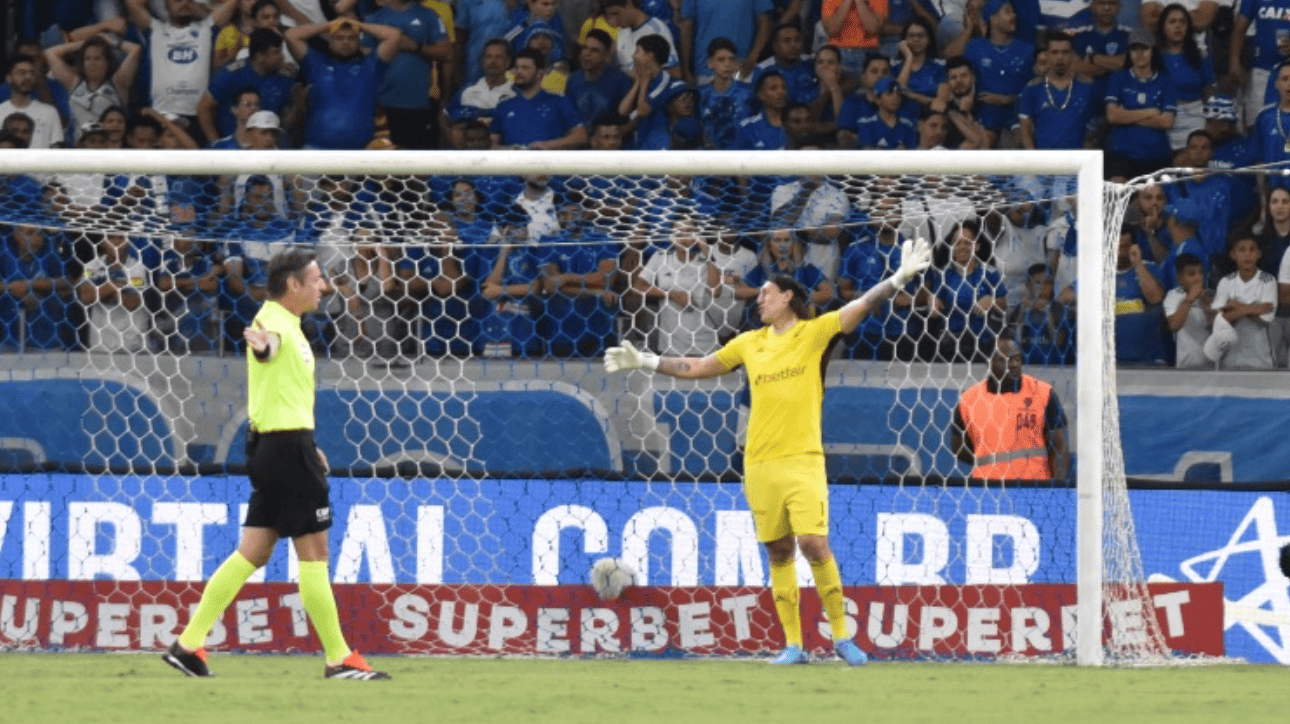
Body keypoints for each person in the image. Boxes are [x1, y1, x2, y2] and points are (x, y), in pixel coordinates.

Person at [603, 236, 932, 665]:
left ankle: (842, 637)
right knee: (778, 551)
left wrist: (897, 279)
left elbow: (861, 306)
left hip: (803, 461)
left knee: (814, 544)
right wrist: (646, 360)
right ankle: (793, 644)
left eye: (766, 294)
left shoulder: (814, 334)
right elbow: (698, 366)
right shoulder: (749, 343)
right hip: (758, 462)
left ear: (788, 297)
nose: (759, 301)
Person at [162, 249, 390, 680]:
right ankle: (339, 658)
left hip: (278, 446)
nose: (324, 286)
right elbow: (267, 349)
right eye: (317, 279)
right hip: (284, 450)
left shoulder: (287, 323)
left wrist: (308, 442)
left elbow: (280, 385)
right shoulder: (272, 324)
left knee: (253, 551)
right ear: (294, 285)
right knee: (315, 553)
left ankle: (188, 644)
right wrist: (263, 349)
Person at [949, 332, 1070, 481]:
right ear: (990, 362)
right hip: (986, 488)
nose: (1013, 364)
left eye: (1017, 359)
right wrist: (990, 460)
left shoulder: (1043, 393)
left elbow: (1061, 446)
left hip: (1033, 488)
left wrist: (1058, 490)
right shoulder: (969, 399)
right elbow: (957, 446)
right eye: (1005, 360)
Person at [285, 17, 403, 150]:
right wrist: (330, 25)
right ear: (330, 42)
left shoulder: (371, 66)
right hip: (316, 150)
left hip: (359, 153)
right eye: (339, 38)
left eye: (351, 38)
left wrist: (359, 25)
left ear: (358, 42)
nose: (345, 42)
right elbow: (291, 35)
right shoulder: (315, 63)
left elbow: (394, 35)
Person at [43, 22, 143, 143]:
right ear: (82, 63)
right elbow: (50, 53)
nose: (92, 63)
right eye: (87, 59)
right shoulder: (73, 83)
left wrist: (109, 41)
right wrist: (86, 43)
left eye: (97, 58)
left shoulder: (118, 83)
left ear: (107, 62)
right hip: (81, 153)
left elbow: (135, 50)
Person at [198, 28, 298, 145]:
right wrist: (216, 143)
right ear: (260, 56)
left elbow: (286, 123)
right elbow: (203, 107)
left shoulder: (284, 79)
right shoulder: (230, 74)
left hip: (267, 148)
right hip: (232, 148)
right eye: (276, 52)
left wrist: (299, 105)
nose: (282, 57)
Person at [1104, 28, 1177, 182]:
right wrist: (1150, 112)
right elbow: (1112, 116)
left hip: (1156, 156)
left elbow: (1167, 121)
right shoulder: (1118, 77)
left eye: (1144, 48)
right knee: (1118, 196)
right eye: (1134, 49)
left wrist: (1126, 113)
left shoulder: (1165, 81)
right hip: (1121, 154)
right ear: (1129, 52)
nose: (1139, 54)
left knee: (1155, 201)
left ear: (1153, 50)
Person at [491, 48, 588, 149]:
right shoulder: (503, 106)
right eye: (516, 67)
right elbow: (490, 143)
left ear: (540, 74)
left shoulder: (559, 102)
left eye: (525, 68)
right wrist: (508, 150)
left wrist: (547, 146)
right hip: (512, 163)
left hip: (548, 163)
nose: (518, 72)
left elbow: (581, 136)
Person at [1205, 236, 1277, 368]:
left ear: (1259, 254)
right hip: (1229, 361)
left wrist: (1235, 306)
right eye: (1242, 250)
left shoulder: (1268, 281)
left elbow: (1265, 318)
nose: (1247, 255)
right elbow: (1217, 319)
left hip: (1261, 361)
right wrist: (1254, 308)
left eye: (1252, 250)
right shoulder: (1225, 282)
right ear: (1233, 255)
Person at [1017, 30, 1097, 150]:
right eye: (1055, 52)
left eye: (1065, 52)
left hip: (1077, 162)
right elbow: (1025, 132)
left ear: (1072, 55)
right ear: (1047, 55)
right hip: (1043, 163)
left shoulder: (1088, 87)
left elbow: (1094, 127)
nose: (1060, 57)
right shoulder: (1032, 89)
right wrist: (1035, 162)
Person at [566, 29, 633, 125]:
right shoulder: (572, 80)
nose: (587, 54)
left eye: (594, 50)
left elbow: (633, 118)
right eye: (585, 48)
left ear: (606, 55)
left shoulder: (620, 80)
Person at [0, 54, 65, 149]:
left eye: (31, 73)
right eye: (21, 72)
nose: (28, 77)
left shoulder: (49, 112)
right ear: (9, 78)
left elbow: (57, 149)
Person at [1162, 252, 1212, 369]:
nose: (1197, 278)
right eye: (1191, 274)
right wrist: (1189, 300)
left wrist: (1205, 302)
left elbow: (1216, 325)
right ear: (1180, 278)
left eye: (1200, 273)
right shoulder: (1173, 296)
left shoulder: (1210, 295)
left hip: (1210, 366)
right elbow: (1174, 325)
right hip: (1185, 367)